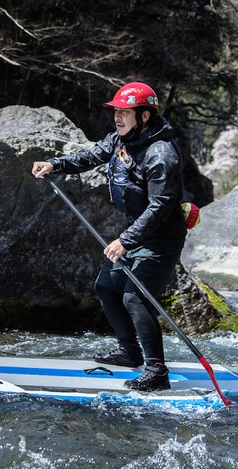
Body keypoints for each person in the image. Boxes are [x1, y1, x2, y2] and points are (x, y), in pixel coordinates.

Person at [32, 82, 188, 392]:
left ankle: (157, 370)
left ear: (144, 116)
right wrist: (56, 164)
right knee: (106, 287)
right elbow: (91, 156)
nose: (117, 117)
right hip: (138, 232)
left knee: (134, 296)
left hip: (161, 237)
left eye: (124, 112)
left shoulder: (161, 155)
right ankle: (130, 351)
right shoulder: (120, 139)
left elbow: (159, 207)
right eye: (115, 111)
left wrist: (126, 240)